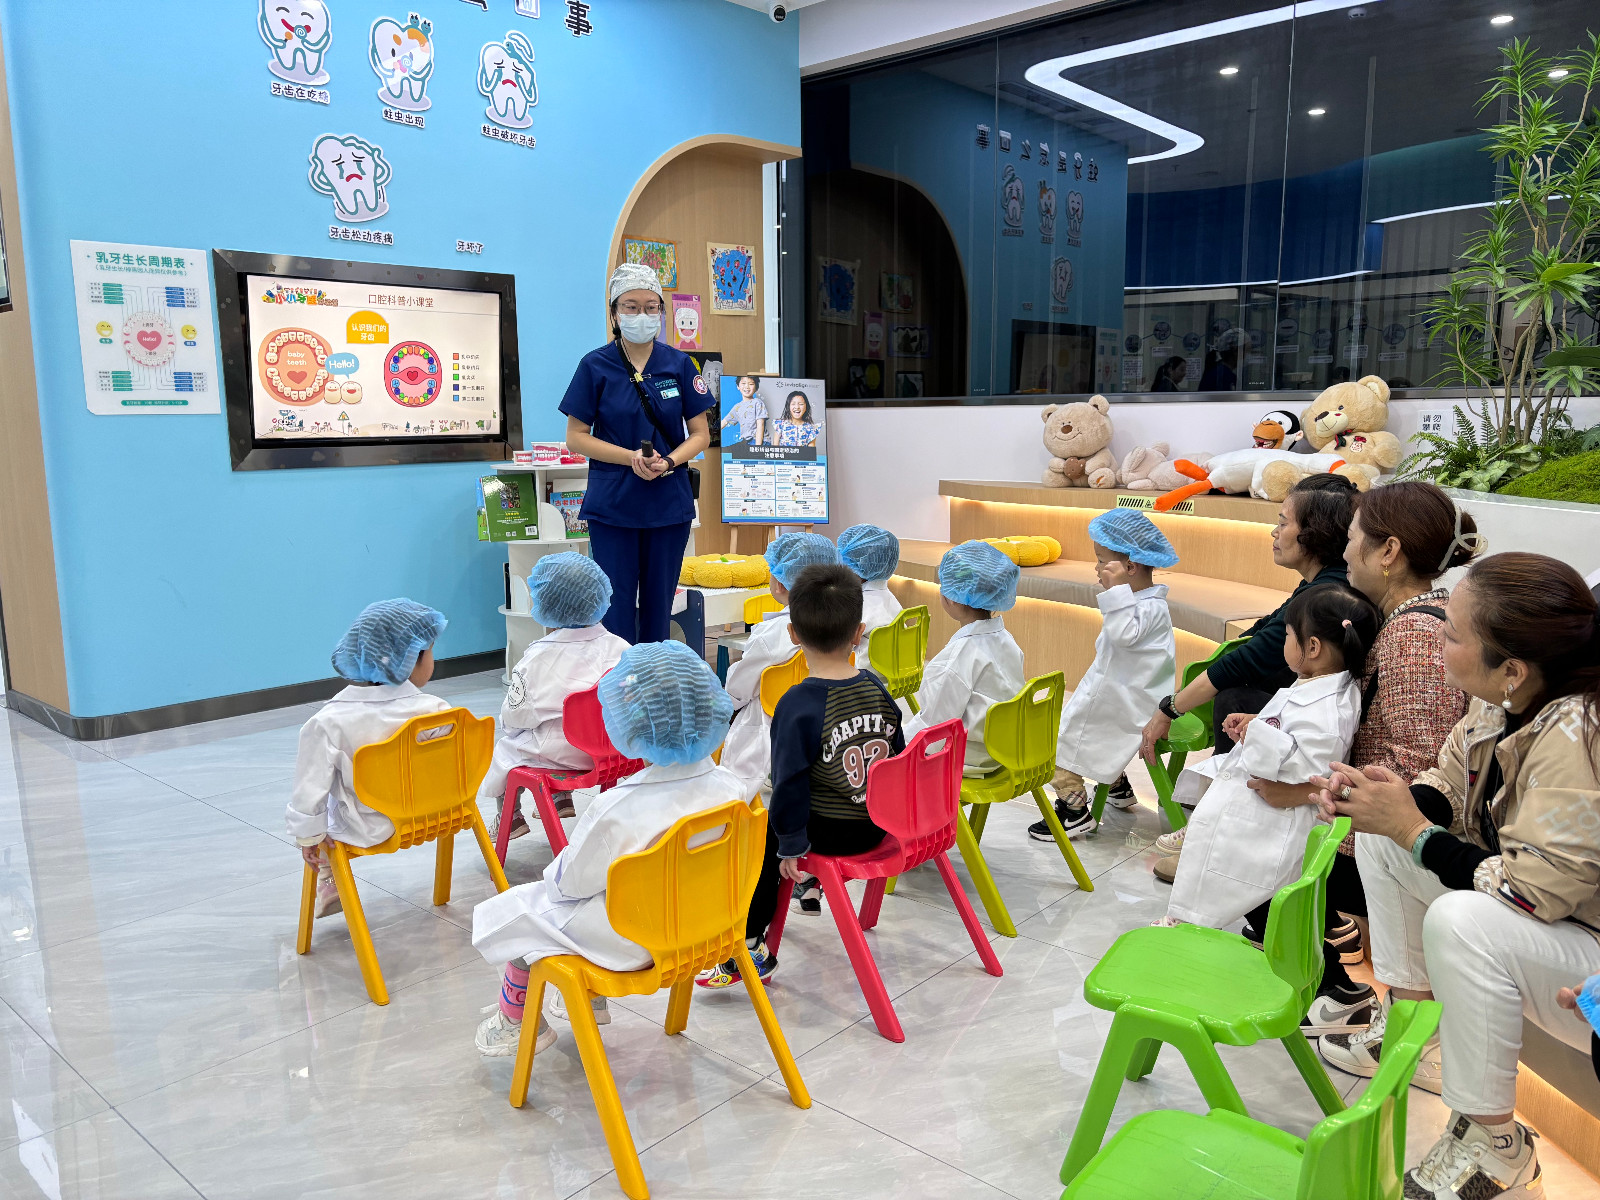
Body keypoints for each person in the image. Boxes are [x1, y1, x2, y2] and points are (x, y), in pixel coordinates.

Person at [1311, 553, 1600, 1199]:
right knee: (1384, 839)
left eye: (1452, 633)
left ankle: (1498, 1147)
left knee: (1460, 920)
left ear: (1512, 667)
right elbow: (1445, 782)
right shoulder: (1504, 700)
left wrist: (1414, 829)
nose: (1436, 638)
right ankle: (1418, 1034)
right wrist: (1388, 805)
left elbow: (1536, 893)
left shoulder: (1578, 734)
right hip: (1553, 921)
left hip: (1587, 963)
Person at [471, 640, 740, 1057]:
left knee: (519, 911)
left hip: (633, 944)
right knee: (584, 898)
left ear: (628, 723)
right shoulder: (734, 790)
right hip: (708, 927)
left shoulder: (618, 809)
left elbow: (569, 885)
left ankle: (516, 1020)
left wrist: (554, 881)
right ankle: (581, 999)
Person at [1300, 483, 1480, 1036]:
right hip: (1386, 828)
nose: (1345, 551)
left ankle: (1338, 991)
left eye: (1353, 538)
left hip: (1396, 842)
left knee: (1263, 839)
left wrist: (1328, 799)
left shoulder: (1414, 634)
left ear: (1388, 551)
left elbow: (1419, 764)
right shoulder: (1412, 620)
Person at [699, 564, 904, 987]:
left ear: (793, 634)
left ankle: (748, 946)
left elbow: (788, 784)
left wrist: (791, 845)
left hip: (831, 832)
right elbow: (897, 758)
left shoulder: (797, 703)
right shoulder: (877, 686)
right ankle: (804, 886)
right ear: (858, 633)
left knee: (763, 840)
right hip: (879, 823)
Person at [1139, 475, 1355, 879]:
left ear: (1314, 534)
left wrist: (1168, 709)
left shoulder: (1326, 594)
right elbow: (1263, 630)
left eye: (1283, 522)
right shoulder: (1320, 583)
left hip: (1308, 750)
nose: (1274, 532)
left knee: (1234, 698)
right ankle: (1213, 821)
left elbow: (1248, 659)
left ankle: (1221, 836)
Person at [1164, 584, 1378, 929]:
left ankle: (1187, 923)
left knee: (1244, 886)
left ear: (1312, 647)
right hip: (1265, 809)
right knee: (1222, 872)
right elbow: (1291, 729)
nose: (1284, 642)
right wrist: (1257, 722)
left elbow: (1308, 765)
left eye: (1288, 635)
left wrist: (1259, 735)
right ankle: (1187, 916)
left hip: (1277, 819)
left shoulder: (1331, 709)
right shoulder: (1318, 683)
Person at [561, 262, 713, 644]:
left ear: (661, 311)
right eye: (631, 306)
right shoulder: (595, 365)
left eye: (650, 306)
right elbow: (576, 437)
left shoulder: (679, 364)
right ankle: (619, 677)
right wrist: (629, 457)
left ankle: (653, 677)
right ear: (614, 312)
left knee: (660, 610)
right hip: (614, 505)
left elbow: (701, 435)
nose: (641, 315)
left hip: (668, 503)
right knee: (615, 610)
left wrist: (670, 461)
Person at [287, 599, 452, 918]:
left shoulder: (328, 722)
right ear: (412, 658)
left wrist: (307, 836)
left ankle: (329, 878)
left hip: (370, 826)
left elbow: (308, 791)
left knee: (326, 805)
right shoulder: (438, 710)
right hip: (437, 814)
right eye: (430, 651)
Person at [1035, 509, 1177, 840]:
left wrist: (1115, 592)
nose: (1096, 569)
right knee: (1091, 737)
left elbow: (1122, 635)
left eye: (1102, 561)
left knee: (1058, 743)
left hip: (1122, 702)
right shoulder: (1149, 603)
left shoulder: (1142, 607)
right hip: (1132, 698)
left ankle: (1073, 811)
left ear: (1131, 567)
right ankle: (1117, 785)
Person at [480, 553, 630, 844]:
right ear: (598, 597)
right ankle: (561, 799)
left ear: (545, 603)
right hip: (617, 752)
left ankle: (510, 817)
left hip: (562, 755)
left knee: (508, 747)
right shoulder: (620, 646)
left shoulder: (537, 658)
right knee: (557, 724)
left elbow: (515, 717)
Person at [719, 532, 841, 799]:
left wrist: (723, 705)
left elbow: (738, 689)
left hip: (771, 725)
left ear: (780, 585)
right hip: (827, 717)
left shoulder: (771, 634)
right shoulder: (842, 621)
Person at [903, 540, 1025, 777]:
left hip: (970, 758)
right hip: (1006, 750)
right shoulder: (1007, 641)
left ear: (952, 598)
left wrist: (898, 744)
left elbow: (934, 731)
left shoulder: (953, 661)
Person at [836, 523, 904, 653]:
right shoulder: (892, 602)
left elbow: (831, 650)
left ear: (855, 566)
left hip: (858, 665)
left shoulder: (857, 608)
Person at [721, 373, 768, 446]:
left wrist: (757, 447)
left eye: (751, 384)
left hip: (759, 441)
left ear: (756, 388)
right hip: (747, 441)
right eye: (743, 383)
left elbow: (760, 424)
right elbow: (724, 421)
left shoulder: (757, 403)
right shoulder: (737, 407)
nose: (747, 387)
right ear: (738, 386)